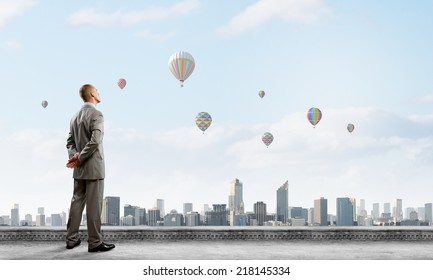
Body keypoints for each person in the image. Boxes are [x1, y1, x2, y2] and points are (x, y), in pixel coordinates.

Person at [65, 84, 115, 252]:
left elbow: (70, 142)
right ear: (93, 94)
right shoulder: (97, 114)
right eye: (98, 91)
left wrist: (74, 156)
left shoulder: (74, 117)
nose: (100, 93)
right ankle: (95, 243)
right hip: (93, 167)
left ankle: (71, 239)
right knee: (94, 206)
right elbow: (95, 141)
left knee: (76, 203)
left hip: (79, 169)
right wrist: (80, 157)